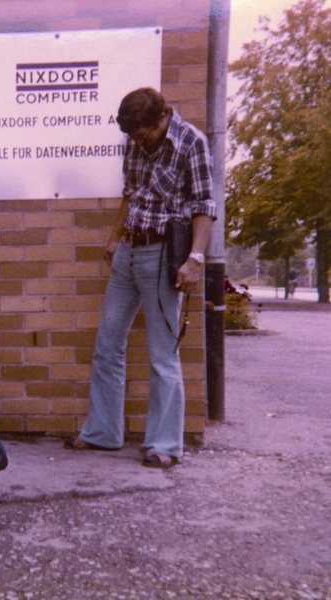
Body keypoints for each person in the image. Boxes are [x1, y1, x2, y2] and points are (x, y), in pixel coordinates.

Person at [65, 87, 216, 468]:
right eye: (131, 135)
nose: (137, 141)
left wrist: (195, 259)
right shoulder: (135, 138)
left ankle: (164, 444)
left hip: (164, 253)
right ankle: (103, 433)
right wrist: (116, 238)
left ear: (162, 117)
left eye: (143, 133)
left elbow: (204, 205)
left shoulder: (191, 142)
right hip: (129, 251)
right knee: (108, 342)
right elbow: (130, 193)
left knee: (162, 354)